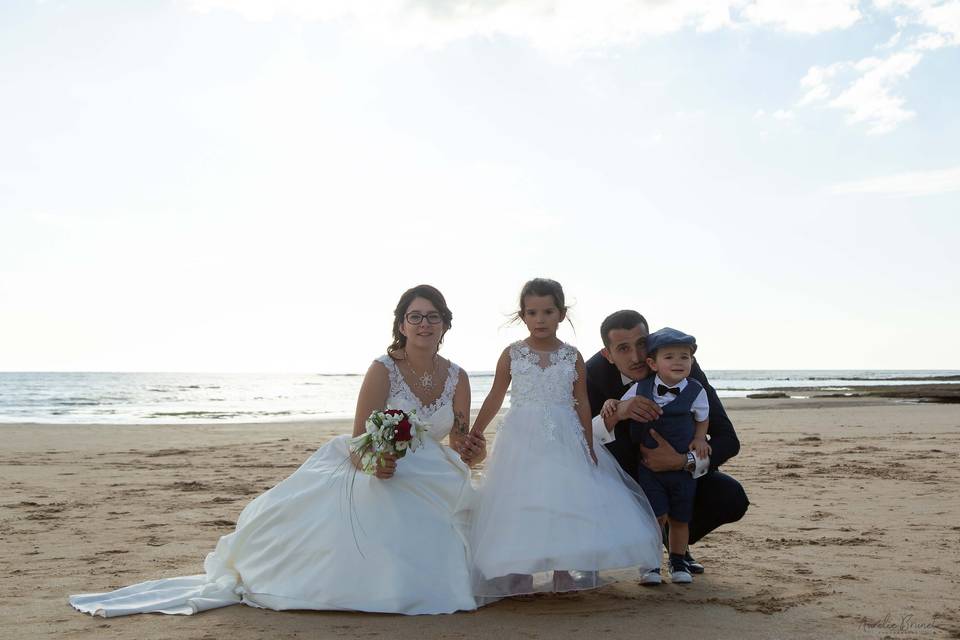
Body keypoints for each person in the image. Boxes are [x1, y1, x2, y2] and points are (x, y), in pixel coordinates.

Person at [70, 284, 488, 617]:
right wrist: (378, 465)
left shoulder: (458, 377)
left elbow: (459, 445)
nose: (424, 324)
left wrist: (474, 450)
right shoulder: (383, 369)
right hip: (378, 465)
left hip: (433, 470)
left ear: (446, 325)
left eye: (433, 317)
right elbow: (361, 437)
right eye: (415, 316)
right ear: (401, 324)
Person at [467, 279, 661, 600]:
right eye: (532, 312)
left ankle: (563, 568)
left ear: (561, 314)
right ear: (523, 316)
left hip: (564, 433)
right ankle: (519, 571)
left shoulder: (572, 356)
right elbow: (496, 396)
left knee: (563, 499)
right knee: (522, 500)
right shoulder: (512, 354)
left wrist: (586, 443)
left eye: (548, 311)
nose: (540, 319)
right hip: (521, 436)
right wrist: (476, 430)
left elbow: (582, 402)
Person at [585, 310, 748, 583]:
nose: (636, 357)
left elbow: (727, 439)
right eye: (623, 349)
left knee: (730, 496)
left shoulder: (682, 367)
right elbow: (579, 436)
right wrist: (619, 411)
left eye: (641, 344)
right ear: (608, 354)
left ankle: (676, 549)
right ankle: (631, 550)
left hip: (681, 475)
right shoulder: (592, 375)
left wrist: (683, 461)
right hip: (621, 479)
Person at [602, 327, 710, 584]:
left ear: (692, 362)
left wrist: (698, 439)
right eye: (670, 357)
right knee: (655, 516)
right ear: (653, 363)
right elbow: (619, 407)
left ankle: (678, 560)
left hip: (683, 470)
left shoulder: (696, 390)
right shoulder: (641, 387)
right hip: (648, 469)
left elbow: (703, 418)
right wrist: (610, 404)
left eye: (684, 357)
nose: (678, 362)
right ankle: (650, 564)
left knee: (681, 518)